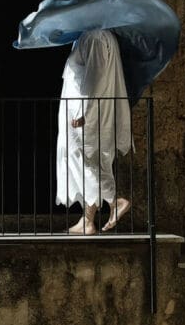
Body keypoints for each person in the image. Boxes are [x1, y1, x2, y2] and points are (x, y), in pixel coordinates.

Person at [57, 29, 132, 234]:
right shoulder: (99, 36)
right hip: (91, 114)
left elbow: (96, 77)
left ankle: (115, 201)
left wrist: (84, 112)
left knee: (83, 160)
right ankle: (87, 221)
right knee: (92, 162)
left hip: (87, 116)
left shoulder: (94, 37)